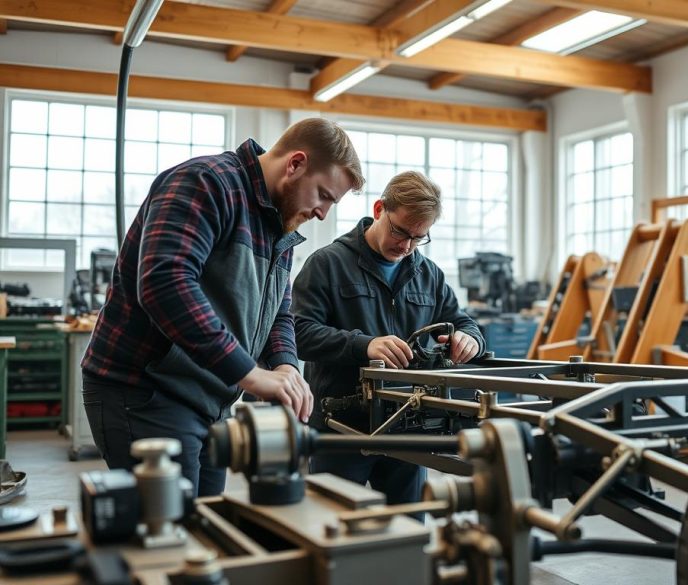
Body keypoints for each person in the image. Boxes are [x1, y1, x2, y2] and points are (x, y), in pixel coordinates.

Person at [81, 118, 364, 497]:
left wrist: (284, 366)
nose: (323, 213)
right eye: (324, 195)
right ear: (295, 164)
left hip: (208, 401)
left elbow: (277, 311)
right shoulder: (206, 183)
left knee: (208, 524)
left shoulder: (279, 225)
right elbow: (166, 284)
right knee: (171, 532)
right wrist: (249, 374)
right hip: (145, 391)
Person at [292, 170, 485, 508]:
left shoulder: (428, 275)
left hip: (409, 428)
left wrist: (470, 338)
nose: (406, 245)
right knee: (333, 527)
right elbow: (298, 332)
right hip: (342, 430)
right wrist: (363, 344)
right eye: (400, 231)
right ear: (380, 209)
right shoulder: (327, 264)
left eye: (418, 237)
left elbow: (462, 321)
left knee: (408, 530)